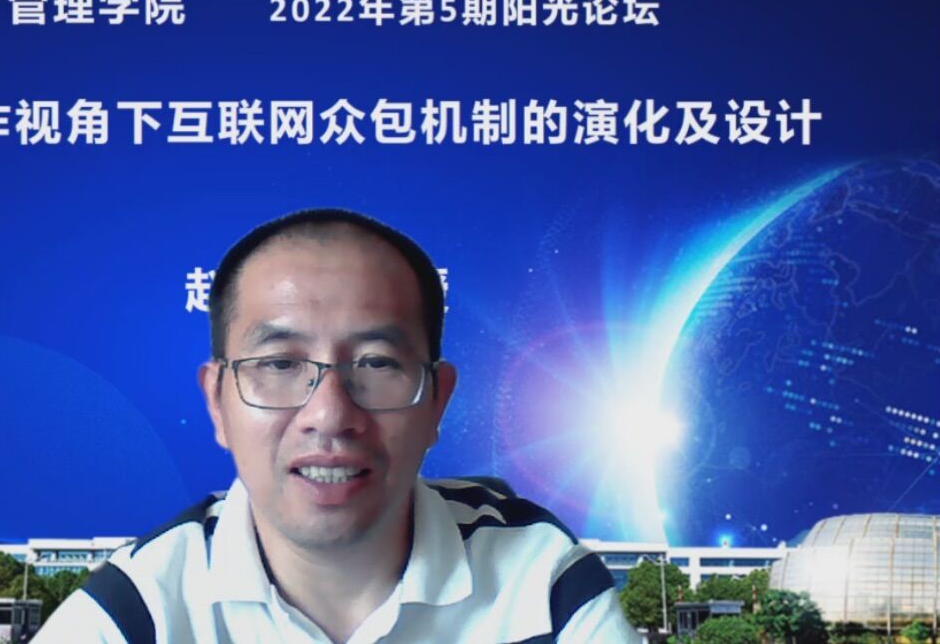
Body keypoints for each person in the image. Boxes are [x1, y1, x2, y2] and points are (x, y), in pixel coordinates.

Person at [34, 208, 641, 643]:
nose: (329, 415)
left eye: (376, 364)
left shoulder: (541, 584)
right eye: (280, 364)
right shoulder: (140, 609)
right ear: (217, 402)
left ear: (437, 402)